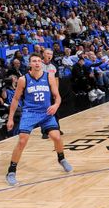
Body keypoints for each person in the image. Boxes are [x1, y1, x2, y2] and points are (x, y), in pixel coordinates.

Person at [5, 54, 73, 186]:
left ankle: (61, 159)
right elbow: (15, 99)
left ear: (41, 63)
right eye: (34, 61)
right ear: (29, 64)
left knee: (57, 137)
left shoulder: (49, 76)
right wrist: (10, 118)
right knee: (22, 140)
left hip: (46, 112)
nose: (37, 63)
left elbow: (57, 96)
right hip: (30, 113)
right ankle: (11, 171)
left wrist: (55, 105)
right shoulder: (23, 79)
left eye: (38, 61)